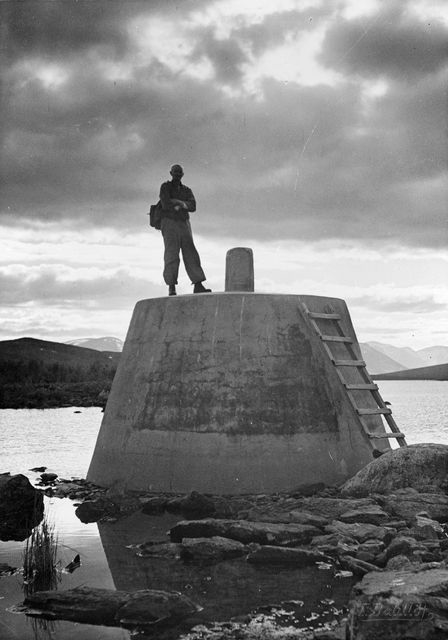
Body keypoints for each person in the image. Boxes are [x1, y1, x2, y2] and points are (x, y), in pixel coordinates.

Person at [159, 164, 211, 296]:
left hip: (183, 222)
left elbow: (193, 206)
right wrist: (182, 204)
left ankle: (198, 284)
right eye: (175, 173)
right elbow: (165, 203)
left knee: (190, 252)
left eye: (179, 173)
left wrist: (179, 203)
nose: (177, 175)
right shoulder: (165, 187)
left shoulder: (187, 190)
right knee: (171, 254)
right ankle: (171, 287)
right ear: (171, 173)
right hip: (169, 222)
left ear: (182, 174)